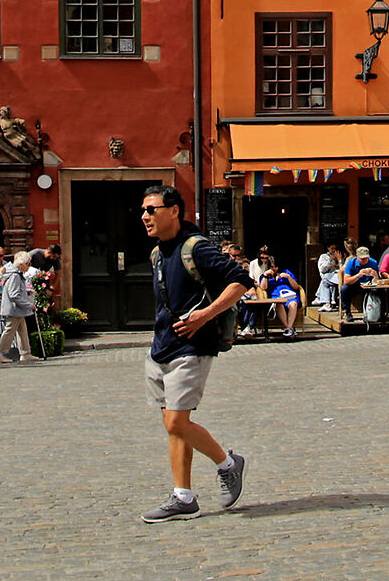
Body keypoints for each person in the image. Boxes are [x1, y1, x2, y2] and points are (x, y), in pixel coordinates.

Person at [137, 183, 250, 522]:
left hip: (192, 347)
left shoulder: (195, 247)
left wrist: (204, 316)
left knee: (176, 420)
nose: (145, 216)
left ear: (174, 211)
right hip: (161, 348)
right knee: (174, 426)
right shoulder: (158, 252)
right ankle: (183, 496)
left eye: (151, 209)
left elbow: (241, 280)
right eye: (142, 210)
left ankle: (229, 464)